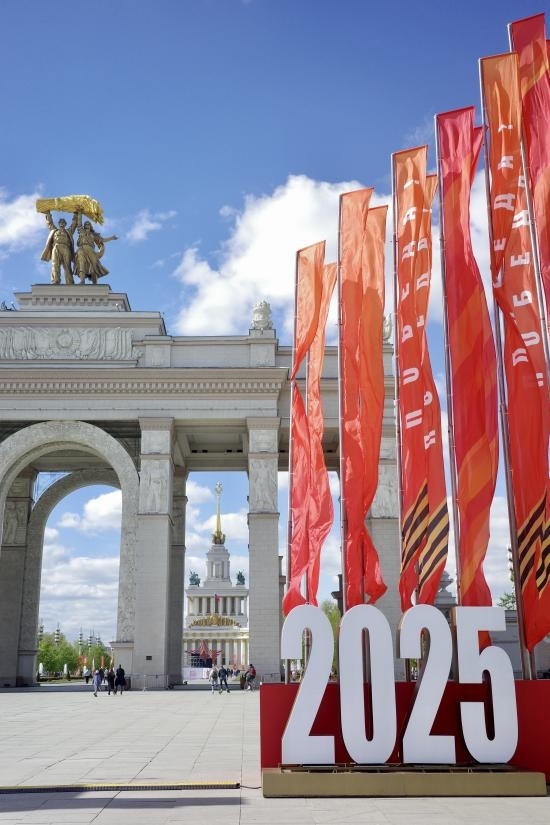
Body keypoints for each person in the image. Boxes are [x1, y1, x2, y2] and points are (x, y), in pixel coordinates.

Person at [74, 212, 118, 284]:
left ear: (90, 226)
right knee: (81, 263)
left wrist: (112, 238)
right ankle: (82, 280)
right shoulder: (81, 232)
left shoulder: (93, 235)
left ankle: (95, 282)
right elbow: (79, 223)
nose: (87, 225)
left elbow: (102, 240)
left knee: (94, 265)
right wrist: (79, 213)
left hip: (90, 250)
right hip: (82, 249)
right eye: (85, 224)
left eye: (88, 224)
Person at [40, 211, 77, 284]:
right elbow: (50, 224)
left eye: (63, 222)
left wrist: (76, 214)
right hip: (56, 247)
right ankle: (55, 280)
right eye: (60, 222)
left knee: (67, 265)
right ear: (59, 224)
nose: (62, 223)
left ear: (65, 224)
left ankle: (69, 282)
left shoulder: (68, 231)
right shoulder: (54, 230)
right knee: (55, 264)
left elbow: (74, 225)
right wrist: (48, 214)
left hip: (66, 248)